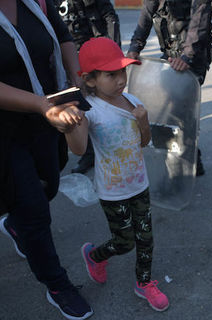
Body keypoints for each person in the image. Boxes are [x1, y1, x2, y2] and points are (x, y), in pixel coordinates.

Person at [60, 37, 169, 312]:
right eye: (111, 74)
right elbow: (79, 149)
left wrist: (143, 121)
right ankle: (95, 255)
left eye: (122, 71)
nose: (121, 79)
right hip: (112, 190)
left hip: (139, 184)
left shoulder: (132, 101)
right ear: (91, 79)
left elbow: (143, 142)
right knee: (124, 242)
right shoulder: (89, 110)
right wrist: (70, 125)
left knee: (146, 239)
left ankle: (144, 283)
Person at [0, 0, 93, 318]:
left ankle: (15, 224)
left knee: (50, 184)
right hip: (6, 130)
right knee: (34, 210)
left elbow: (63, 37)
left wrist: (74, 78)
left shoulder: (36, 2)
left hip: (50, 112)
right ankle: (58, 285)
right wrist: (41, 105)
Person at [126, 0, 212, 176]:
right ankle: (192, 157)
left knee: (180, 111)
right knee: (173, 114)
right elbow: (145, 15)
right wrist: (134, 48)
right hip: (169, 56)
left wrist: (187, 57)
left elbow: (199, 22)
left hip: (192, 59)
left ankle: (180, 173)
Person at [54, 0, 121, 174]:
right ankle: (82, 149)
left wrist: (112, 54)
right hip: (65, 58)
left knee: (97, 105)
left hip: (92, 57)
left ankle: (101, 149)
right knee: (73, 107)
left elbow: (109, 16)